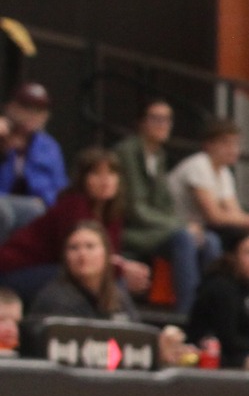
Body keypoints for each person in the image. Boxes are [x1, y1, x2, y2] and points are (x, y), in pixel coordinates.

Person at [0, 148, 147, 304]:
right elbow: (74, 257)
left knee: (110, 280)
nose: (105, 181)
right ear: (83, 179)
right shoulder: (73, 205)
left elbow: (108, 254)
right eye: (97, 174)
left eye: (111, 173)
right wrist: (122, 270)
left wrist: (122, 269)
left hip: (54, 269)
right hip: (17, 271)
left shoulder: (113, 213)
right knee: (83, 275)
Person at [115, 98, 217, 311]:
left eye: (167, 119)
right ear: (142, 123)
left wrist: (184, 224)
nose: (162, 124)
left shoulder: (159, 156)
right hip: (131, 229)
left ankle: (207, 311)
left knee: (210, 240)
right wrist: (180, 226)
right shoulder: (127, 152)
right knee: (184, 238)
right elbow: (136, 209)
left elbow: (166, 205)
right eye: (156, 118)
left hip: (154, 229)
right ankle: (187, 313)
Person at [168, 117, 249, 237]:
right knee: (215, 241)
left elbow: (235, 213)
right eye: (226, 143)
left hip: (199, 229)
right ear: (208, 145)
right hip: (176, 227)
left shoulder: (224, 172)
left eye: (236, 143)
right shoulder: (199, 164)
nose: (233, 149)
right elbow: (214, 216)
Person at [185, 231, 249, 369]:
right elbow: (229, 340)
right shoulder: (220, 287)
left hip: (244, 353)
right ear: (233, 255)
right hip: (216, 357)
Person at [29, 221, 139, 322]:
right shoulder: (55, 300)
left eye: (90, 246)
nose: (82, 254)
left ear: (107, 253)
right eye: (73, 248)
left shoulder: (117, 294)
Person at [0, 83, 63, 237]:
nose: (32, 115)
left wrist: (44, 200)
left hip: (34, 206)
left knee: (36, 211)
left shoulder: (48, 146)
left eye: (39, 110)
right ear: (11, 108)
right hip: (2, 202)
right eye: (26, 108)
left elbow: (60, 187)